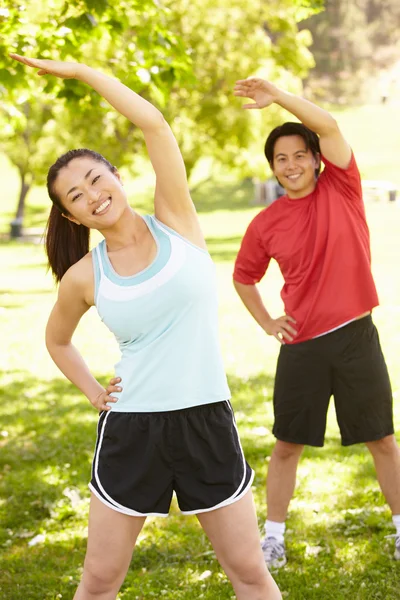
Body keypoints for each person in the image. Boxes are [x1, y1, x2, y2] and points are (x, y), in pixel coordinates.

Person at [9, 54, 282, 600]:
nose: (92, 195)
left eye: (95, 179)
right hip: (132, 429)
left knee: (250, 574)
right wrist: (92, 391)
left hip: (206, 418)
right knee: (100, 580)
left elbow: (154, 124)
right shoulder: (85, 275)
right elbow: (56, 340)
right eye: (75, 196)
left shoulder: (177, 220)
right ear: (71, 216)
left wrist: (82, 73)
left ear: (116, 174)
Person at [232, 77, 400, 569]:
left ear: (317, 159)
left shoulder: (342, 186)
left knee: (383, 441)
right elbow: (244, 278)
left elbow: (327, 124)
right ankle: (274, 538)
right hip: (301, 346)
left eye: (299, 155)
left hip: (355, 338)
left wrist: (279, 97)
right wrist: (267, 322)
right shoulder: (266, 223)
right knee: (286, 446)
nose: (291, 165)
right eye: (280, 159)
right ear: (273, 169)